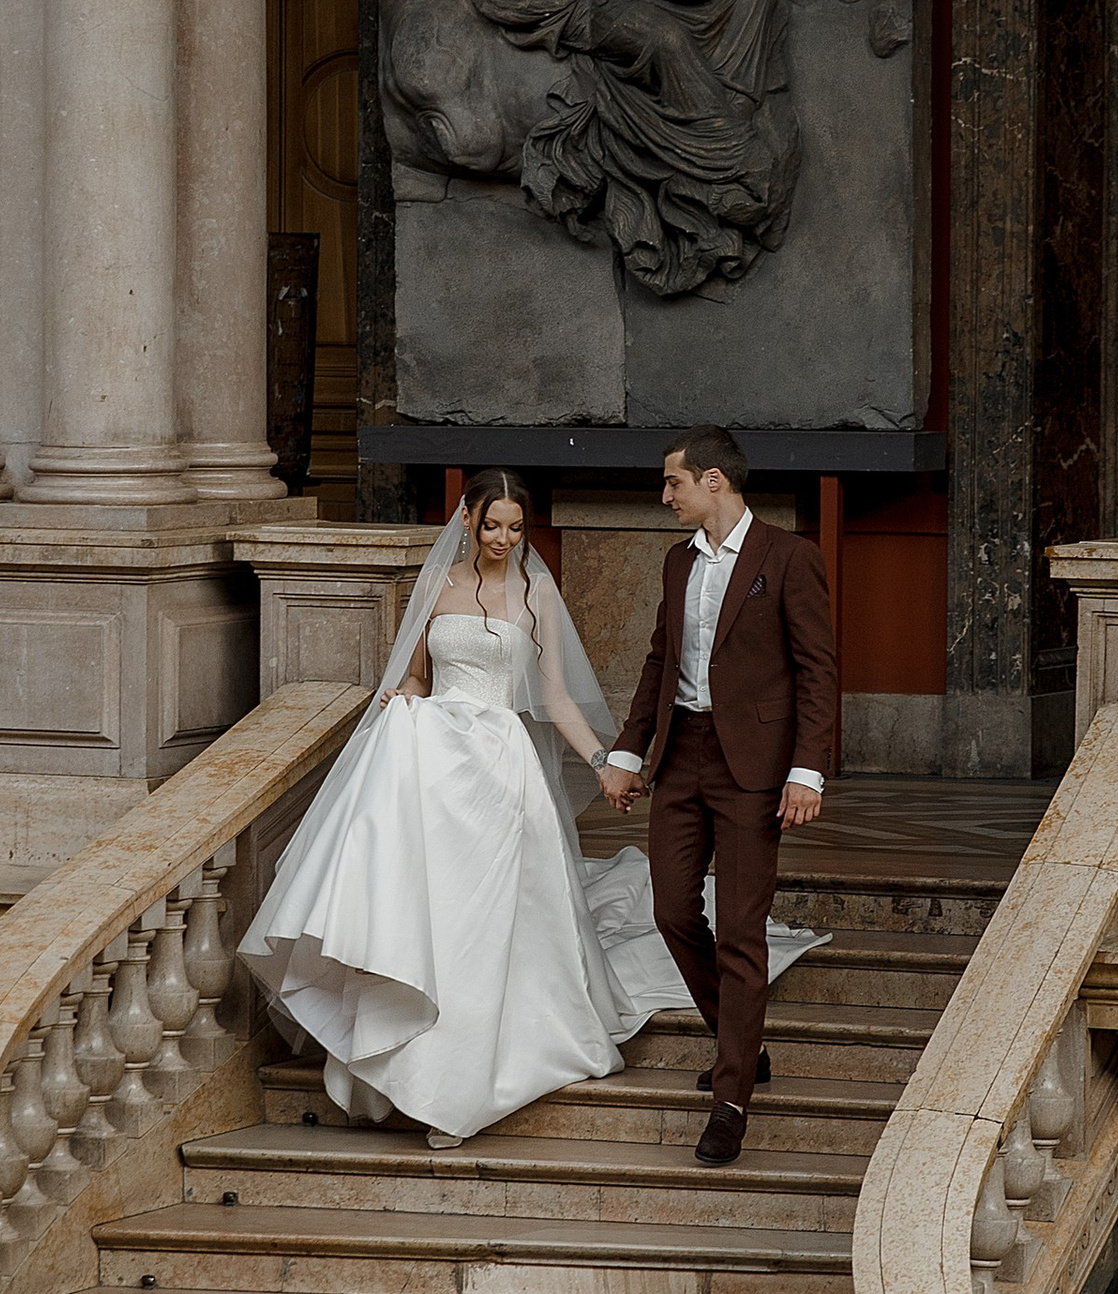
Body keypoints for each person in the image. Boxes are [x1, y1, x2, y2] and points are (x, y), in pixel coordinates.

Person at [241, 470, 820, 1143]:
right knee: (430, 914)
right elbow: (417, 677)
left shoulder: (536, 589)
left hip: (499, 767)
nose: (505, 539)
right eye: (493, 526)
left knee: (486, 921)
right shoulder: (433, 586)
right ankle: (411, 1063)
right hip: (433, 769)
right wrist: (401, 697)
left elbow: (555, 698)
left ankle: (471, 1079)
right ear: (467, 521)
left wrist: (609, 762)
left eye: (516, 528)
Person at [601, 428, 837, 1166]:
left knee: (741, 926)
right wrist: (626, 751)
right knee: (672, 909)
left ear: (712, 480)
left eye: (672, 483)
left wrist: (808, 771)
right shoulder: (678, 563)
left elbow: (818, 673)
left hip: (754, 768)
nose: (664, 495)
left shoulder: (789, 558)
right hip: (681, 759)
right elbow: (657, 662)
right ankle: (743, 1041)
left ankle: (731, 1098)